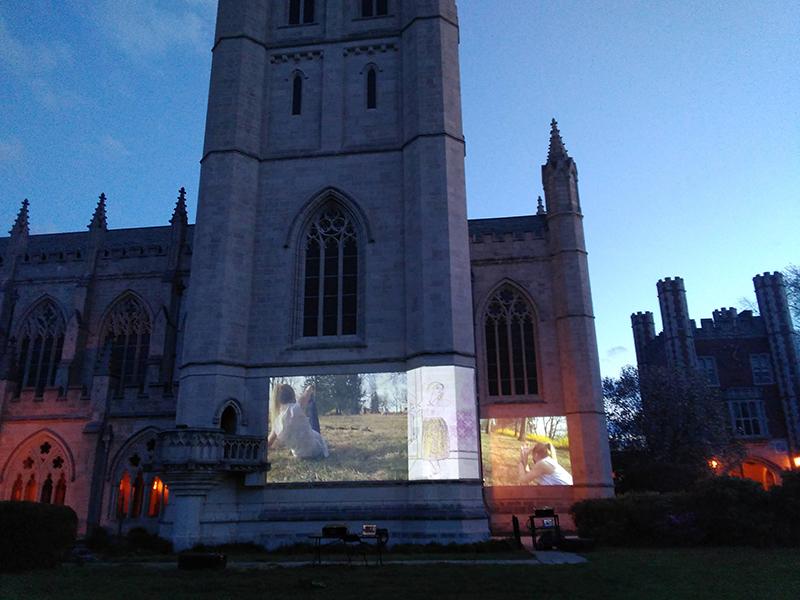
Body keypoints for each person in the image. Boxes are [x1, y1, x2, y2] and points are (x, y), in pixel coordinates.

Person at [268, 384, 329, 459]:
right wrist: (310, 387)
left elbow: (269, 442)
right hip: (315, 451)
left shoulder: (277, 423)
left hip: (299, 455)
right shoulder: (297, 407)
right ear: (292, 395)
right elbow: (305, 395)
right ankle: (325, 443)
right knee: (310, 404)